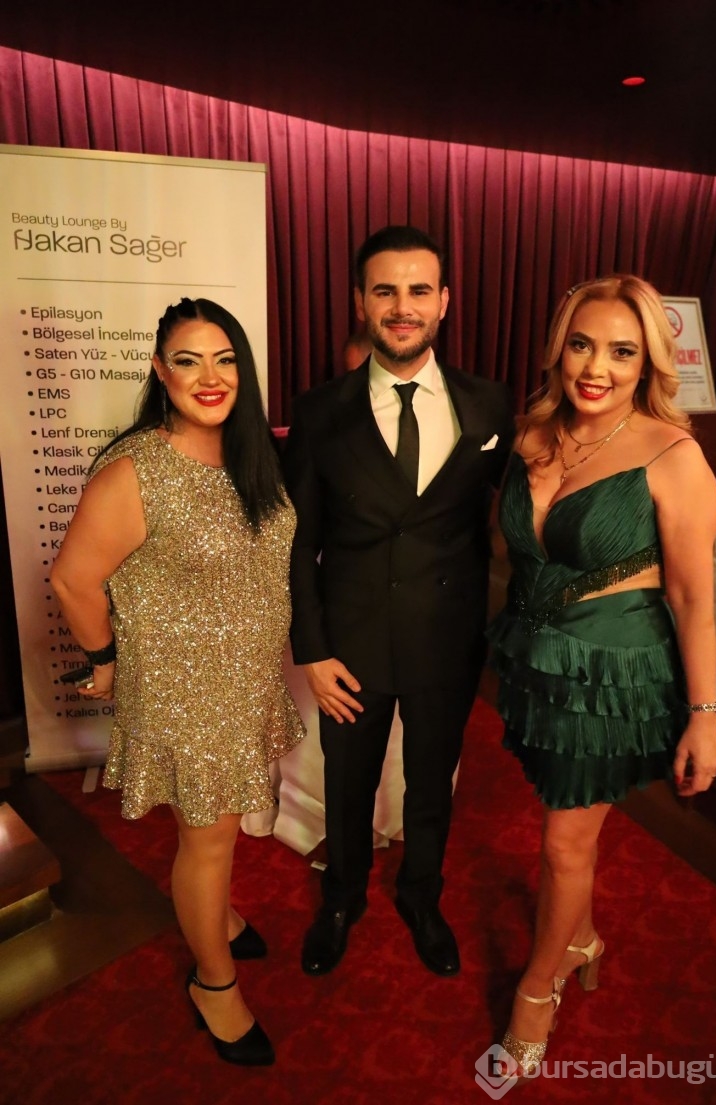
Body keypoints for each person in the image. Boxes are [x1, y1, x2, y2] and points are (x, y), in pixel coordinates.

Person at [50, 297, 305, 1066]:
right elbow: (72, 579)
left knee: (218, 829)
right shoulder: (137, 470)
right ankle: (213, 982)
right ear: (160, 372)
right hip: (187, 689)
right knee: (210, 837)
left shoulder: (250, 454)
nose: (209, 376)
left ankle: (216, 919)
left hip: (244, 678)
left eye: (225, 359)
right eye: (189, 361)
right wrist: (104, 659)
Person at [486, 275, 716, 1079]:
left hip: (613, 675)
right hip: (535, 663)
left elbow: (692, 598)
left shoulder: (673, 455)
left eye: (623, 351)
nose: (597, 367)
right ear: (560, 348)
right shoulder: (533, 434)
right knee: (562, 818)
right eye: (583, 345)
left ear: (648, 361)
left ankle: (537, 991)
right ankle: (582, 937)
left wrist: (704, 713)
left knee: (564, 841)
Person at [283, 225, 514, 977]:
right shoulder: (320, 412)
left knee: (432, 785)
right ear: (361, 301)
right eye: (385, 290)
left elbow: (512, 520)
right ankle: (342, 896)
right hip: (350, 644)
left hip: (447, 640)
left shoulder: (490, 405)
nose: (402, 306)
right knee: (347, 784)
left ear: (444, 301)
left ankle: (422, 894)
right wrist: (312, 648)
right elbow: (297, 543)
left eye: (419, 290)